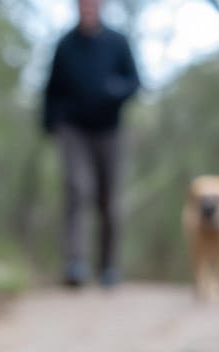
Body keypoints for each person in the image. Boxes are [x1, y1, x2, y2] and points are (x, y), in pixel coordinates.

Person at [42, 0, 141, 288]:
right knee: (77, 188)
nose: (87, 8)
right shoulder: (65, 45)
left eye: (92, 4)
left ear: (100, 7)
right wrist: (49, 122)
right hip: (73, 128)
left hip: (109, 129)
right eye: (82, 4)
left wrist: (115, 92)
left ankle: (109, 266)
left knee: (109, 201)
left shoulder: (117, 42)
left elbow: (135, 81)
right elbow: (51, 88)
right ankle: (75, 264)